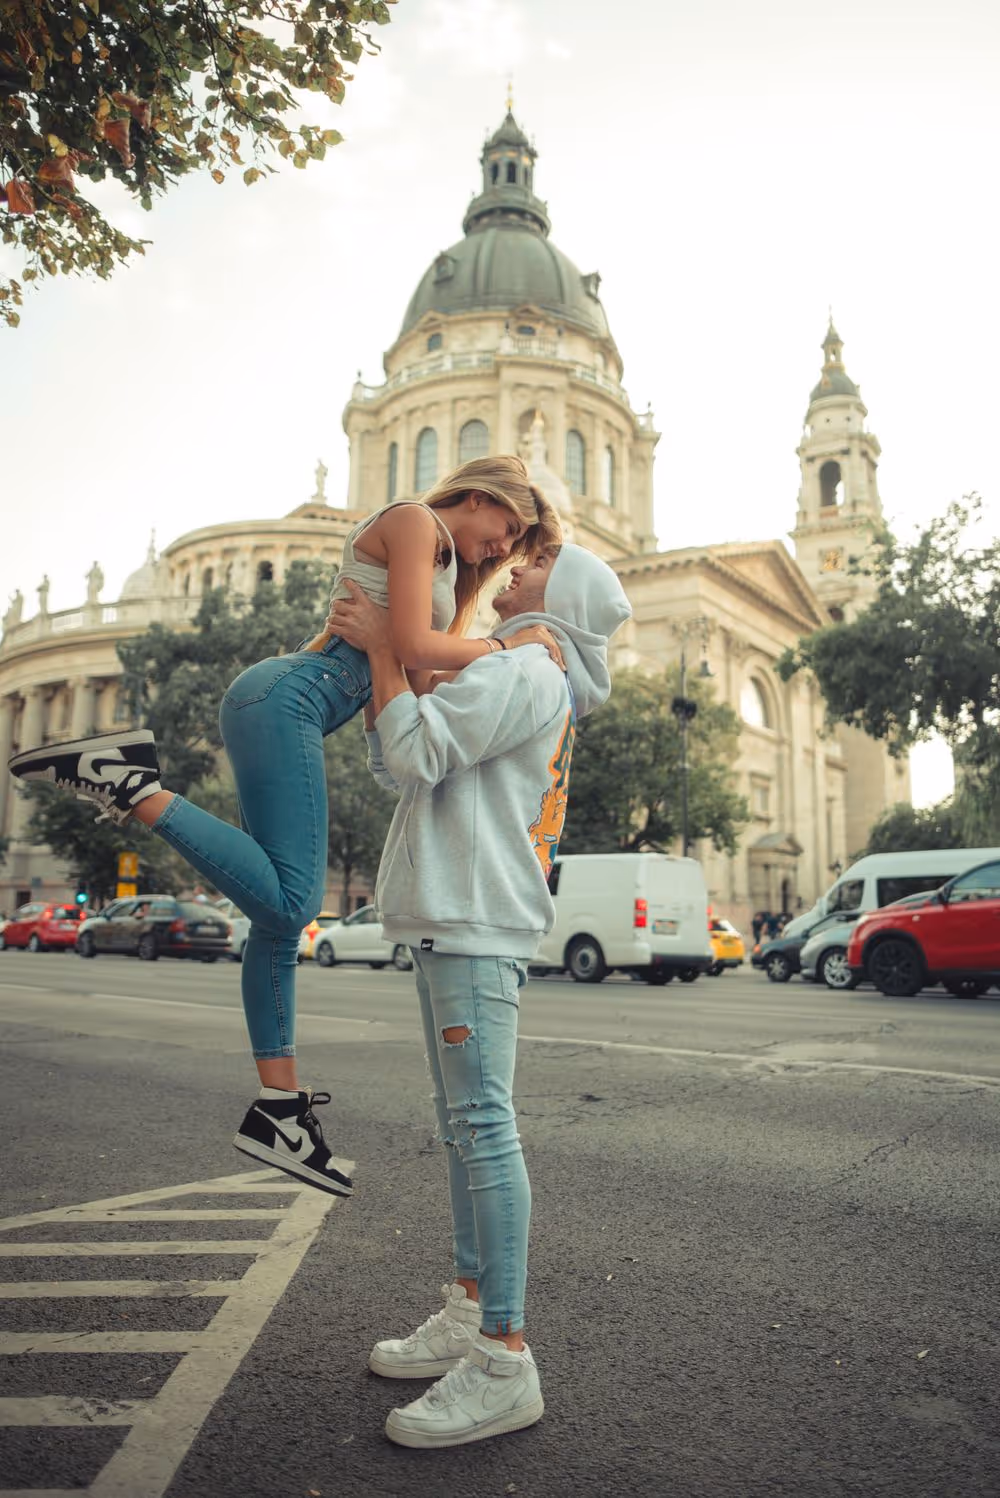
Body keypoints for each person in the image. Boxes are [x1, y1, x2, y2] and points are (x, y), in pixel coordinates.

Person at [7, 456, 562, 1199]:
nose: (502, 550)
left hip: (292, 708)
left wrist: (464, 664)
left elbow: (418, 681)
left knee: (276, 923)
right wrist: (511, 647)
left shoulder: (443, 573)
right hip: (284, 701)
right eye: (508, 529)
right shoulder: (411, 522)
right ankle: (129, 783)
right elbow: (419, 651)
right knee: (296, 902)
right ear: (478, 495)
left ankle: (279, 1113)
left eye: (519, 547)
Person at [327, 539, 631, 1449]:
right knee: (465, 1127)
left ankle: (504, 1356)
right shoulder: (522, 671)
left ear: (560, 600)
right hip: (454, 914)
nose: (511, 574)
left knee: (485, 1130)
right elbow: (404, 756)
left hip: (472, 917)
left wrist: (387, 645)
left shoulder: (528, 669)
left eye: (533, 571)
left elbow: (412, 756)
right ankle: (469, 1309)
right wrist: (396, 662)